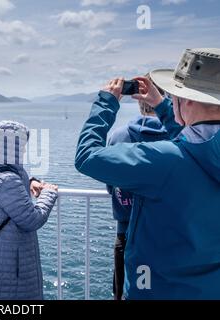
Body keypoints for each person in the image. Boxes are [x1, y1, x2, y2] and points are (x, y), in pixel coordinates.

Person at [75, 48, 220, 299]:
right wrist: (161, 105)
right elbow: (196, 143)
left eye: (174, 95)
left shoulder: (163, 161)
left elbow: (87, 157)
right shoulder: (194, 155)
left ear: (187, 100)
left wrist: (105, 103)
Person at [0, 120, 58, 300]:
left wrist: (30, 182)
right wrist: (49, 193)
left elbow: (10, 192)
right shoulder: (8, 180)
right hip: (12, 267)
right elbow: (31, 220)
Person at [107, 77, 170, 300]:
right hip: (169, 233)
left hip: (126, 232)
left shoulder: (118, 137)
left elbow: (110, 183)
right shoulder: (180, 136)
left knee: (125, 293)